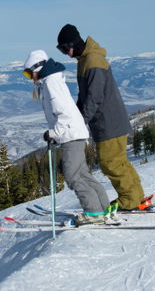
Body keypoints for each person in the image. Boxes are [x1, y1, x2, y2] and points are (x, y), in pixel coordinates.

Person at [56, 24, 153, 211]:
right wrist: (74, 114)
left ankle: (129, 199)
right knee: (119, 161)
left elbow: (94, 97)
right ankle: (136, 196)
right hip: (109, 121)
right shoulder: (86, 59)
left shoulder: (92, 60)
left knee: (111, 163)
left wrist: (80, 120)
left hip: (108, 122)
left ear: (74, 43)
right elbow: (85, 96)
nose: (66, 54)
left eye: (65, 49)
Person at [22, 49, 114, 224]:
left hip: (70, 134)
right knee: (83, 174)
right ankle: (103, 207)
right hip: (74, 132)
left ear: (38, 67)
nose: (29, 77)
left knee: (73, 176)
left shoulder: (51, 84)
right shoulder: (52, 80)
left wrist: (53, 133)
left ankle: (94, 213)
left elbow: (63, 113)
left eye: (29, 72)